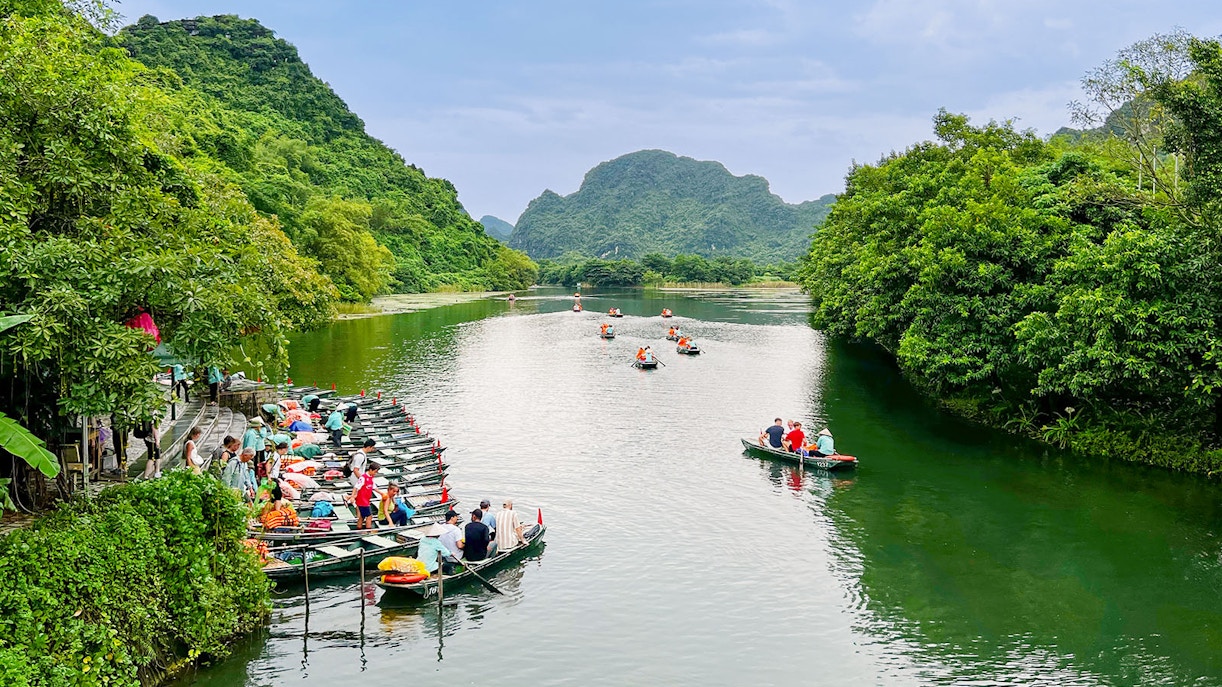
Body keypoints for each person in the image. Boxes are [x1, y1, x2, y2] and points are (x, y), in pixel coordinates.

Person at [348, 462, 379, 530]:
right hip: (362, 500)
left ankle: (358, 529)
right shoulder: (363, 478)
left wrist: (381, 493)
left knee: (362, 516)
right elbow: (356, 487)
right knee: (369, 517)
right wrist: (352, 497)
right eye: (375, 471)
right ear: (370, 470)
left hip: (366, 500)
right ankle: (368, 531)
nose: (375, 473)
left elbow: (374, 487)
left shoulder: (371, 477)